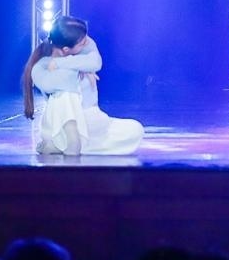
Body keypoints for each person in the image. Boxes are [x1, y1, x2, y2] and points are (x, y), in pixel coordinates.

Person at [23, 16, 142, 156]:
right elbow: (62, 83)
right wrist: (79, 68)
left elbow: (96, 62)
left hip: (94, 122)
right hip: (63, 123)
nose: (87, 43)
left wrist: (65, 64)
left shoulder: (80, 50)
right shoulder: (41, 66)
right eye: (82, 43)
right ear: (66, 49)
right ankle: (71, 139)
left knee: (136, 129)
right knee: (64, 93)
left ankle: (70, 145)